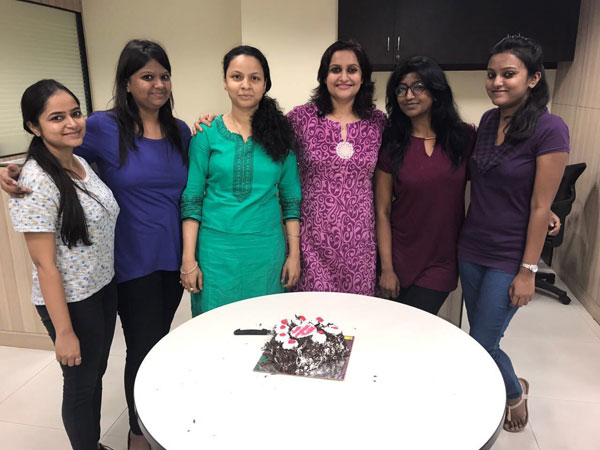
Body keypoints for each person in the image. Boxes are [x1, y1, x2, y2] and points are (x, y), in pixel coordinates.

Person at [1, 40, 190, 450]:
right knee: (138, 351)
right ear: (127, 83)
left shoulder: (181, 131)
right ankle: (138, 433)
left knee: (156, 344)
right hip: (129, 263)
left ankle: (144, 422)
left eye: (164, 76)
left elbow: (65, 157)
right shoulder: (103, 127)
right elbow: (48, 153)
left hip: (170, 258)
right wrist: (12, 170)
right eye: (147, 76)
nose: (158, 84)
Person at [193, 40, 386, 295]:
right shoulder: (301, 118)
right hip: (310, 241)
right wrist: (211, 121)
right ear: (324, 76)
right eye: (335, 69)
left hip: (360, 242)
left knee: (354, 313)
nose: (343, 77)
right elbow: (257, 123)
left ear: (363, 77)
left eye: (352, 70)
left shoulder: (378, 123)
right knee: (310, 313)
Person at [458, 35, 569, 433]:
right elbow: (496, 182)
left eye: (508, 74)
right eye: (491, 75)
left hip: (510, 255)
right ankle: (507, 382)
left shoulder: (550, 129)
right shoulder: (489, 121)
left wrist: (528, 270)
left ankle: (513, 393)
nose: (496, 82)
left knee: (482, 342)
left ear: (534, 78)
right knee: (482, 336)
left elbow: (540, 205)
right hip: (472, 246)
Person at [9, 79, 119, 450]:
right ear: (33, 126)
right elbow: (45, 266)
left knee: (95, 373)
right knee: (80, 384)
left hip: (101, 286)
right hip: (71, 301)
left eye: (75, 113)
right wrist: (65, 332)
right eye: (57, 118)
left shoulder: (79, 162)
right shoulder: (36, 182)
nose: (72, 123)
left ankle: (93, 443)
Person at [179, 45, 301, 316]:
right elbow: (192, 199)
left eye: (254, 78)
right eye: (237, 77)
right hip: (216, 253)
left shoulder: (281, 135)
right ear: (225, 82)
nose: (245, 85)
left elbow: (291, 200)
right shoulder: (206, 133)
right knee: (215, 325)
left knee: (265, 324)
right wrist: (188, 259)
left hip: (266, 252)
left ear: (265, 84)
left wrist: (294, 255)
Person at [375, 56, 475, 314]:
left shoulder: (463, 138)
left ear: (436, 90)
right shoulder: (392, 143)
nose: (409, 95)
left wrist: (545, 207)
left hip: (442, 259)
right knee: (392, 328)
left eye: (418, 87)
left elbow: (495, 182)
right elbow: (383, 211)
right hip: (398, 256)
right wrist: (387, 268)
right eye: (401, 89)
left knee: (416, 326)